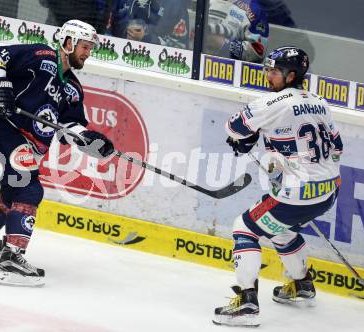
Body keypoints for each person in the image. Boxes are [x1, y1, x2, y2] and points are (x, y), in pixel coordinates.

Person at [0, 20, 114, 287]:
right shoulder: (41, 55)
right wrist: (1, 87)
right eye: (85, 47)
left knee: (12, 194)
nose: (88, 53)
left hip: (21, 142)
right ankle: (12, 260)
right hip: (0, 126)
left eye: (90, 48)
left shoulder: (74, 89)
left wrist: (89, 139)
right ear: (68, 43)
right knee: (29, 190)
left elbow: (68, 128)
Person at [213, 46, 343, 327]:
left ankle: (247, 303)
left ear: (291, 74)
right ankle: (302, 285)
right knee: (279, 229)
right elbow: (337, 147)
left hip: (295, 195)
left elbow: (234, 128)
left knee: (244, 227)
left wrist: (249, 137)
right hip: (329, 191)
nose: (268, 76)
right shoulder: (320, 102)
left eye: (273, 72)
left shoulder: (271, 103)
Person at [107, 0, 190, 49]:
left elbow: (180, 47)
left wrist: (147, 38)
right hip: (118, 63)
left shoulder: (175, 5)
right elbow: (106, 32)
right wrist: (123, 34)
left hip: (154, 71)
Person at [205, 0, 269, 63]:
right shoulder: (203, 3)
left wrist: (224, 45)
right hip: (199, 63)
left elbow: (258, 52)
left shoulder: (254, 9)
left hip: (230, 68)